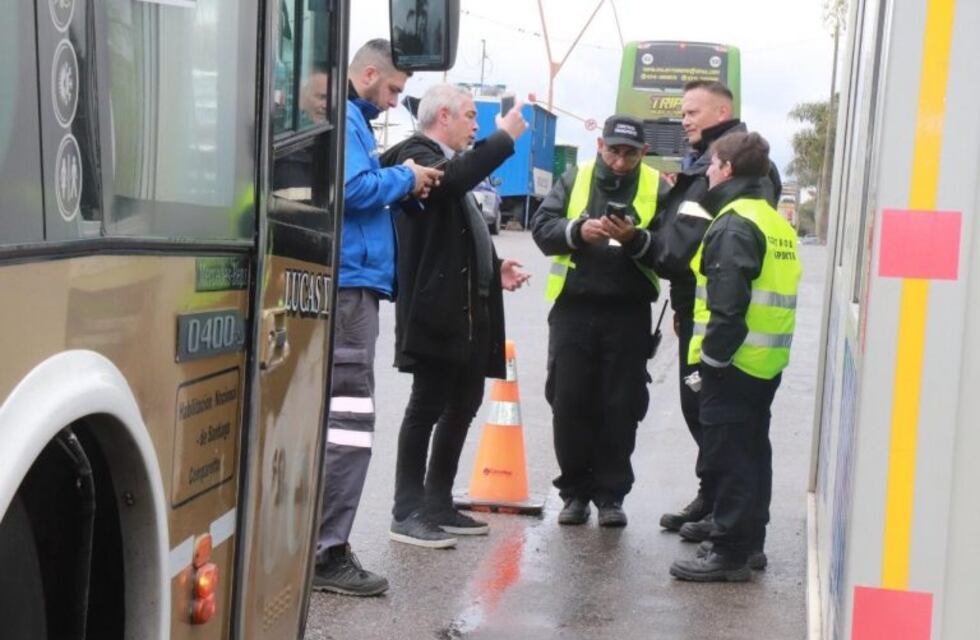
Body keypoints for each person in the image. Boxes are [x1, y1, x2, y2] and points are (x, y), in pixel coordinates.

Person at [313, 39, 442, 597]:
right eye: (392, 89)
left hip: (347, 284)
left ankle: (320, 544)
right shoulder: (346, 118)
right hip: (349, 290)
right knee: (348, 421)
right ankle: (326, 551)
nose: (393, 103)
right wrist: (406, 178)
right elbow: (352, 190)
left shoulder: (348, 117)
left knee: (337, 419)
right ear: (368, 74)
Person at [380, 84, 530, 548]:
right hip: (437, 306)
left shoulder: (446, 160)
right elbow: (451, 185)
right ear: (442, 116)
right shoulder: (417, 154)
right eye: (469, 115)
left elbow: (457, 225)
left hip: (468, 305)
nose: (476, 125)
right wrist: (503, 139)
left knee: (462, 404)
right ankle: (407, 511)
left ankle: (438, 502)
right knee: (427, 404)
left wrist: (493, 265)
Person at [669, 131, 801, 582]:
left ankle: (727, 551)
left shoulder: (731, 223)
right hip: (765, 363)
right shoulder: (773, 221)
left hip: (735, 362)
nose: (706, 171)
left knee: (728, 456)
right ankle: (750, 544)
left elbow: (727, 308)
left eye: (711, 164)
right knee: (752, 453)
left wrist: (712, 363)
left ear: (726, 170)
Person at [654, 81, 782, 541]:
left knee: (727, 427)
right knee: (709, 419)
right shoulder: (707, 164)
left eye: (692, 111)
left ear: (722, 110)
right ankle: (716, 501)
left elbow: (700, 246)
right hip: (701, 305)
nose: (684, 119)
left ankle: (732, 524)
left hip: (726, 322)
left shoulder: (740, 169)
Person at [531, 115, 670, 527]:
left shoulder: (657, 187)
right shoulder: (577, 177)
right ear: (599, 145)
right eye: (614, 151)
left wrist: (634, 239)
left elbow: (668, 251)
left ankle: (611, 496)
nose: (621, 162)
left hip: (627, 313)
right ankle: (574, 493)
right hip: (574, 309)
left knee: (620, 406)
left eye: (630, 153)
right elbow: (542, 228)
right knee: (569, 401)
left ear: (643, 152)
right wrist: (578, 230)